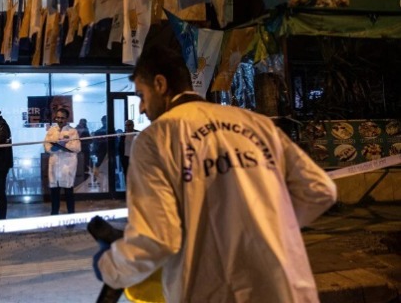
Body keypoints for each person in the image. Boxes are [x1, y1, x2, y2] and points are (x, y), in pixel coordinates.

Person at [92, 45, 337, 302]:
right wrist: (267, 228)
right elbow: (319, 189)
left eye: (142, 95)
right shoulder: (257, 124)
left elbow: (156, 238)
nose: (141, 108)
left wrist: (110, 266)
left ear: (160, 84)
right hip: (287, 289)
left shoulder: (157, 138)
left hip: (213, 291)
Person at [44, 108, 81, 215]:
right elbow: (46, 145)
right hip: (55, 164)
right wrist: (53, 148)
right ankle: (54, 214)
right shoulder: (51, 131)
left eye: (62, 118)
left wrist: (64, 145)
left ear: (66, 119)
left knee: (68, 191)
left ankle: (71, 215)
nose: (60, 120)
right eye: (58, 117)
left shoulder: (73, 131)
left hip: (67, 164)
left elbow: (77, 148)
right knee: (54, 191)